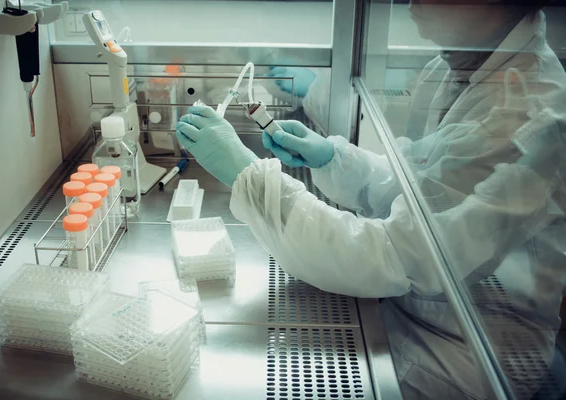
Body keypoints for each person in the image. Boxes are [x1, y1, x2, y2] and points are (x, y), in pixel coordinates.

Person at [176, 1, 566, 398]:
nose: (411, 2)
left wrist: (250, 176)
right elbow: (426, 187)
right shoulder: (466, 63)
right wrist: (336, 158)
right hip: (418, 309)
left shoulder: (528, 117)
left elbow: (389, 255)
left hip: (467, 357)